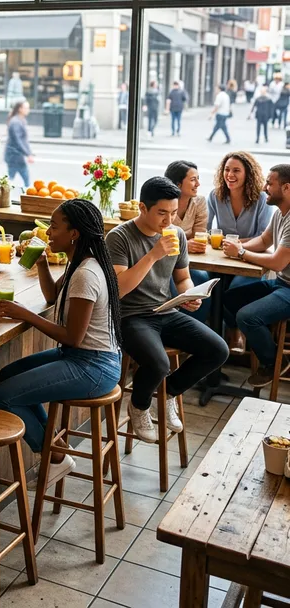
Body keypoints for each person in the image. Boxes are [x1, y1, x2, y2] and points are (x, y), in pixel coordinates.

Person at [0, 199, 122, 482]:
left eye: (54, 226)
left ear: (74, 233)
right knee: (7, 376)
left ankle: (53, 456)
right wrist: (41, 264)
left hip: (94, 366)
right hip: (82, 357)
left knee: (4, 396)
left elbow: (73, 337)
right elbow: (52, 296)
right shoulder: (80, 262)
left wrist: (26, 315)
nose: (48, 233)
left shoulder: (86, 273)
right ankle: (56, 450)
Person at [106, 177, 228, 442]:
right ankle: (139, 406)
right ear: (142, 208)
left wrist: (189, 294)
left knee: (218, 350)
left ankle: (168, 394)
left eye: (173, 213)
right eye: (162, 213)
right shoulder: (119, 237)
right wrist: (153, 255)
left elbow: (182, 277)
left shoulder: (178, 234)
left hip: (165, 311)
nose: (169, 220)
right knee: (159, 362)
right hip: (130, 316)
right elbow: (118, 289)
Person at [223, 165, 290, 388]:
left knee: (247, 317)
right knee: (229, 298)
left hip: (288, 289)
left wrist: (241, 252)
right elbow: (263, 241)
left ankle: (274, 363)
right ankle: (238, 343)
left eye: (269, 184)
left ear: (286, 188)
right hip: (281, 283)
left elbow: (279, 261)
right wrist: (236, 249)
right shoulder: (281, 213)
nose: (264, 188)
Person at [164, 160, 210, 323]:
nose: (198, 184)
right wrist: (186, 243)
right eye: (193, 180)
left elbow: (200, 235)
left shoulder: (200, 202)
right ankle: (176, 325)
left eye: (198, 178)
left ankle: (197, 326)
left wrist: (185, 244)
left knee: (202, 276)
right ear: (177, 183)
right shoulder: (163, 204)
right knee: (172, 280)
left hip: (189, 260)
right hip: (165, 260)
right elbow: (161, 237)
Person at [207, 152, 272, 242]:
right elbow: (205, 229)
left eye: (236, 170)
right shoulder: (215, 195)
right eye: (227, 170)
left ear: (248, 174)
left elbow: (263, 238)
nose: (230, 174)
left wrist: (231, 243)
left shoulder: (262, 198)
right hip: (222, 252)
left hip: (253, 253)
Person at [4, 100, 33, 189]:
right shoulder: (16, 122)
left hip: (15, 154)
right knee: (25, 179)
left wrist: (29, 153)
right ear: (20, 109)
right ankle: (29, 195)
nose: (28, 110)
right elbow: (18, 140)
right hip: (14, 155)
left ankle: (4, 192)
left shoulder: (20, 120)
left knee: (10, 178)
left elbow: (24, 140)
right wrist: (28, 154)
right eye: (26, 108)